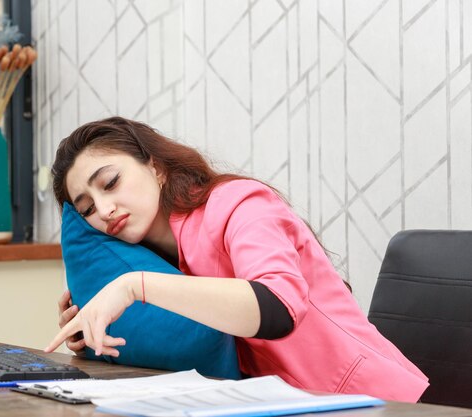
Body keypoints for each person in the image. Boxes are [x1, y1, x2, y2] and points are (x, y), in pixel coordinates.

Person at [45, 116, 428, 402]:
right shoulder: (151, 255)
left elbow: (277, 308)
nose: (105, 209)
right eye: (88, 207)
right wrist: (93, 333)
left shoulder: (240, 203)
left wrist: (135, 286)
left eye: (110, 182)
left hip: (374, 402)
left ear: (156, 167)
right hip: (279, 405)